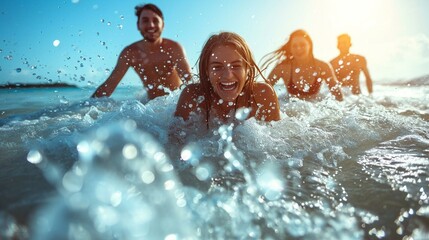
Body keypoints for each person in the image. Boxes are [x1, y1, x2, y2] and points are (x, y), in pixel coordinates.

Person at [174, 32, 280, 128]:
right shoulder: (192, 97)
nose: (228, 75)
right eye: (217, 67)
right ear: (207, 70)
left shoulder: (262, 95)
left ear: (247, 69)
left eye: (236, 66)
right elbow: (174, 143)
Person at [91, 4, 192, 100]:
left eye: (155, 20)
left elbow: (190, 82)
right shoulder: (130, 53)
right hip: (151, 107)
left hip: (174, 103)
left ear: (163, 25)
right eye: (145, 20)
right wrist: (82, 109)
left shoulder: (174, 48)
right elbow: (108, 86)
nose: (151, 25)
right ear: (138, 25)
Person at [262, 29, 343, 101]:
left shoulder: (323, 66)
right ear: (290, 48)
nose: (298, 49)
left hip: (315, 106)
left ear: (310, 45)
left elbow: (338, 96)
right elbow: (263, 91)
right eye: (294, 46)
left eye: (302, 45)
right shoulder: (282, 68)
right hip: (290, 106)